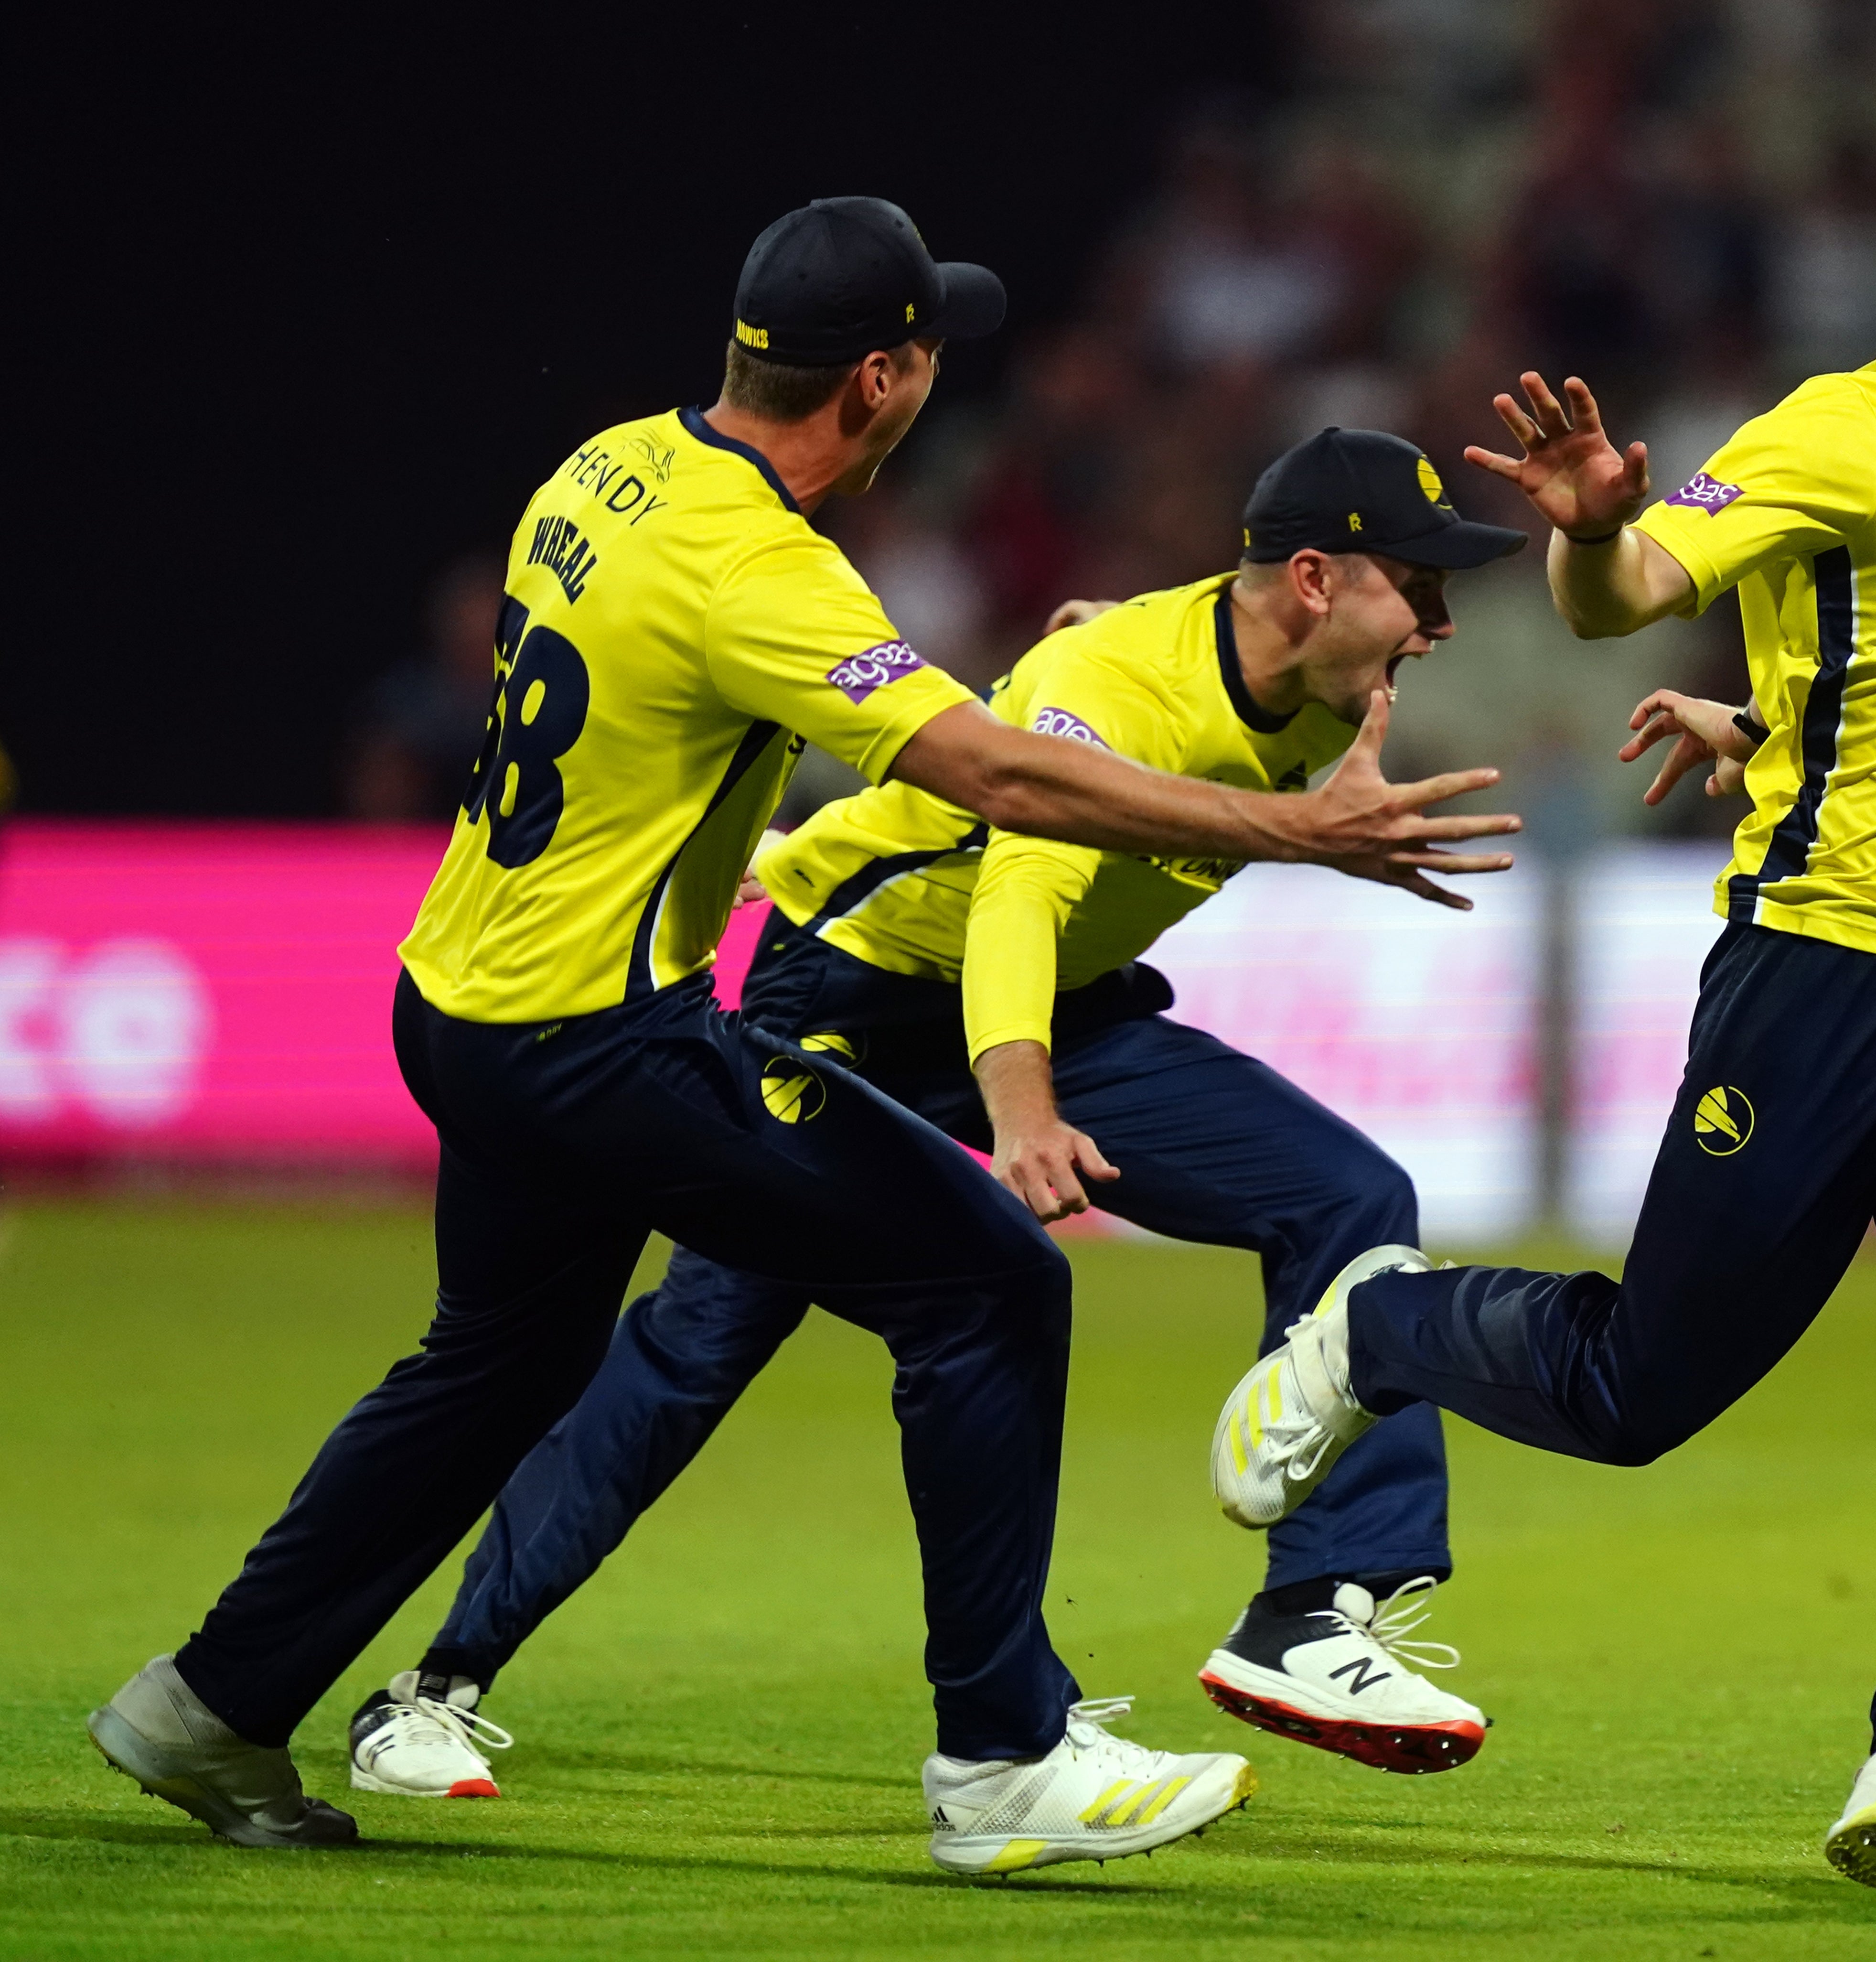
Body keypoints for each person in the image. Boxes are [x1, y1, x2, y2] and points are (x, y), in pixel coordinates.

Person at [86, 197, 1516, 1879]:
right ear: (885, 379)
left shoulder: (610, 466)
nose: (936, 379)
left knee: (499, 1365)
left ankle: (214, 1698)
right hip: (603, 1037)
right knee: (987, 1283)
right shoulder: (765, 566)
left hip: (457, 999)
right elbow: (985, 780)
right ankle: (1001, 1760)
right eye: (931, 352)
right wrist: (1281, 830)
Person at [1207, 86, 1876, 1892]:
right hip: (1822, 990)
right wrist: (1583, 529)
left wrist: (1774, 718)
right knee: (1645, 1392)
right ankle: (1378, 1330)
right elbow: (1631, 592)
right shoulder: (1837, 435)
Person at [348, 430, 1524, 1807]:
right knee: (706, 1336)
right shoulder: (1123, 680)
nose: (1442, 622)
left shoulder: (1319, 688)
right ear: (1315, 578)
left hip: (1062, 1007)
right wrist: (1023, 1113)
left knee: (1351, 1201)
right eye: (1419, 585)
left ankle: (1315, 1611)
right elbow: (1019, 888)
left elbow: (1128, 684)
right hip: (855, 988)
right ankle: (429, 1689)